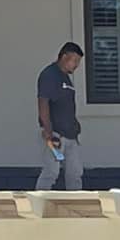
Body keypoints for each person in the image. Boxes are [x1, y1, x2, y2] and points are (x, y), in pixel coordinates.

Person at [36, 42, 85, 190]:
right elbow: (43, 102)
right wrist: (48, 131)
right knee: (51, 171)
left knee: (75, 173)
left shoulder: (66, 77)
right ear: (64, 57)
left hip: (71, 135)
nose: (76, 65)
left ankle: (75, 200)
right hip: (56, 134)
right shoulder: (50, 75)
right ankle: (39, 199)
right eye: (74, 61)